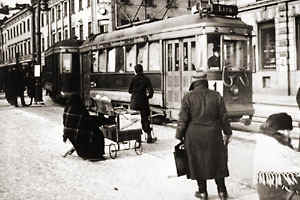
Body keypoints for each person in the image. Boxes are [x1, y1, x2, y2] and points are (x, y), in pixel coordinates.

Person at [176, 71, 232, 200]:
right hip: (213, 134)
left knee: (197, 162)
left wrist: (179, 136)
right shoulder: (216, 95)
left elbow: (182, 119)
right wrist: (228, 133)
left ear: (193, 82)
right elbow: (224, 118)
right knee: (218, 162)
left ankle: (203, 192)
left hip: (194, 135)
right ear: (205, 81)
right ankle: (222, 192)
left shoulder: (188, 97)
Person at [254, 112, 300, 200]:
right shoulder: (279, 146)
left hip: (264, 192)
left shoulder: (264, 141)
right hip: (277, 195)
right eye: (289, 131)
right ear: (284, 131)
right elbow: (293, 177)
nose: (289, 134)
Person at [62, 94, 106, 161]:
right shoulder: (80, 109)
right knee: (98, 133)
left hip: (71, 135)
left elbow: (82, 120)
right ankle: (97, 155)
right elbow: (89, 121)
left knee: (90, 131)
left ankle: (86, 152)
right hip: (79, 137)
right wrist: (102, 120)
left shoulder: (67, 108)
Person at [129, 64, 157, 144]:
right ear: (142, 70)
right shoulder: (146, 79)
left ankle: (137, 138)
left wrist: (135, 92)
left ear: (135, 71)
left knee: (136, 119)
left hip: (134, 102)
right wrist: (148, 97)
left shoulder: (133, 79)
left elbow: (129, 90)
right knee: (145, 119)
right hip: (143, 102)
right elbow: (151, 92)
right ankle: (149, 137)